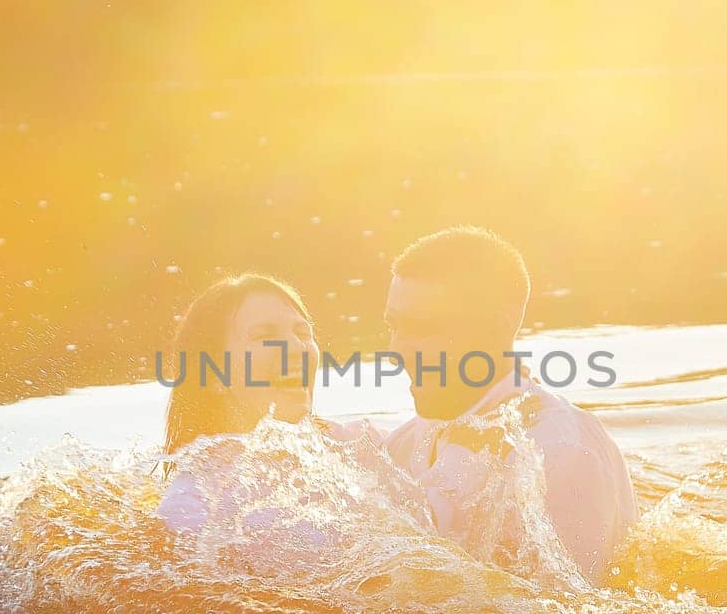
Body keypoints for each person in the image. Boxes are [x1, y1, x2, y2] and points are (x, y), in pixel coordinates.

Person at [382, 226, 637, 583]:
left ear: (495, 330)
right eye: (393, 326)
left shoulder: (561, 451)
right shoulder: (405, 444)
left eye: (422, 329)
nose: (395, 351)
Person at [155, 273, 423, 558]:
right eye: (265, 337)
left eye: (303, 333)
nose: (296, 348)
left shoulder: (361, 446)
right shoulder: (192, 508)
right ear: (212, 374)